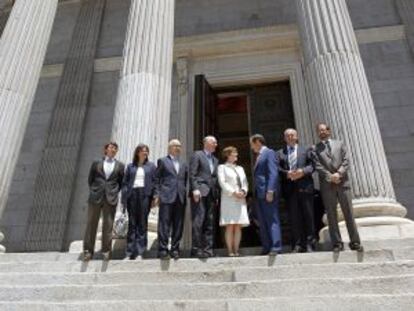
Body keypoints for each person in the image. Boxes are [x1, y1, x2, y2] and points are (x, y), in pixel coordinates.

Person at [313, 123, 363, 253]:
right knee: (331, 215)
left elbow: (346, 161)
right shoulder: (315, 148)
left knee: (349, 214)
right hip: (327, 185)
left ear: (329, 131)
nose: (322, 132)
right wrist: (330, 176)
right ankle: (337, 243)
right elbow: (317, 166)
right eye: (320, 131)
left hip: (343, 183)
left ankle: (355, 242)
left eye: (324, 130)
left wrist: (339, 173)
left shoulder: (339, 144)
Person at [83, 142, 125, 261]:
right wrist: (95, 190)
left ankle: (106, 251)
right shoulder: (96, 163)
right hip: (95, 197)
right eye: (111, 147)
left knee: (108, 225)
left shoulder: (120, 166)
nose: (113, 150)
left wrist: (114, 192)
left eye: (115, 148)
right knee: (91, 224)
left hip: (110, 198)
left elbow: (121, 183)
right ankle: (88, 251)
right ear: (105, 150)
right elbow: (90, 179)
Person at [277, 128, 316, 253]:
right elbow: (277, 169)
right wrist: (287, 174)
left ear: (297, 137)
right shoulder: (279, 153)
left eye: (292, 135)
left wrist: (302, 172)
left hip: (305, 188)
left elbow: (313, 165)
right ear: (284, 138)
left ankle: (310, 244)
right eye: (287, 136)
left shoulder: (306, 150)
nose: (290, 137)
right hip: (290, 190)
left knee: (308, 216)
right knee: (294, 218)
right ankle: (298, 244)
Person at [154, 139, 188, 260]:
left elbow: (185, 180)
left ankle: (175, 249)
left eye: (179, 146)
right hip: (166, 196)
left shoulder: (184, 163)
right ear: (169, 148)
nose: (178, 148)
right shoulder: (162, 161)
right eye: (175, 146)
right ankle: (163, 250)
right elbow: (157, 179)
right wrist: (157, 195)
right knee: (164, 224)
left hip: (180, 197)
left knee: (178, 224)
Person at [121, 144, 157, 260]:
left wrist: (155, 196)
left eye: (146, 151)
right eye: (143, 151)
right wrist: (125, 197)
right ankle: (129, 252)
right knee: (132, 224)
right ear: (137, 153)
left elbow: (155, 182)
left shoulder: (151, 166)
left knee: (142, 223)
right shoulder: (130, 167)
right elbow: (125, 183)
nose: (145, 153)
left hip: (145, 195)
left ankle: (140, 252)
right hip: (132, 195)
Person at [250, 134, 282, 256]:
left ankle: (276, 246)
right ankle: (267, 246)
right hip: (259, 194)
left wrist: (270, 190)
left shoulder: (269, 153)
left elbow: (273, 173)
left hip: (267, 193)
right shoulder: (259, 155)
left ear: (258, 142)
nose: (252, 147)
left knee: (272, 219)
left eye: (252, 144)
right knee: (262, 221)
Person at [189, 136, 220, 258]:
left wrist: (216, 195)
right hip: (200, 192)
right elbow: (192, 174)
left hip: (211, 195)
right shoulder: (197, 155)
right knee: (198, 221)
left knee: (209, 223)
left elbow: (214, 179)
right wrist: (195, 189)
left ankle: (208, 249)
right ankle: (196, 249)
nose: (216, 144)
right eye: (214, 142)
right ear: (206, 143)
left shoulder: (215, 160)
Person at [217, 146, 249, 257]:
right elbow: (222, 182)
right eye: (234, 153)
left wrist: (244, 191)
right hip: (229, 199)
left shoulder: (240, 168)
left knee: (238, 225)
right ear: (228, 155)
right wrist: (233, 192)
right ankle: (230, 250)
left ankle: (236, 250)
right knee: (230, 225)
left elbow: (245, 182)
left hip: (240, 199)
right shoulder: (222, 167)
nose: (236, 155)